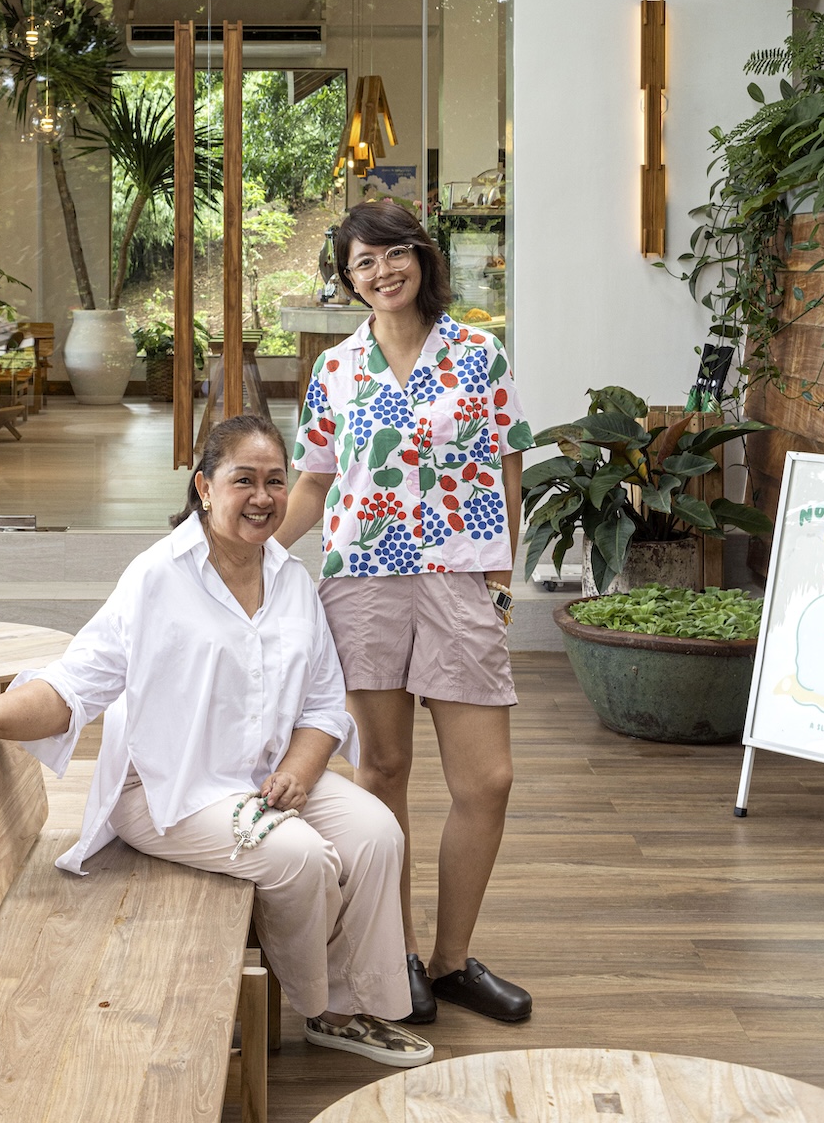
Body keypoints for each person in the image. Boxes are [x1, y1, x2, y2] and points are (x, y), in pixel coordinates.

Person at [0, 413, 435, 1067]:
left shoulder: (291, 582)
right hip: (170, 791)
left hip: (264, 779)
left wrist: (301, 771)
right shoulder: (157, 578)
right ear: (204, 487)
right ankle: (320, 1006)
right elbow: (74, 686)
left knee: (377, 835)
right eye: (243, 480)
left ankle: (357, 1001)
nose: (263, 497)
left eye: (276, 481)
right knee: (302, 858)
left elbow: (323, 705)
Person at [273, 198, 534, 1027]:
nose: (381, 272)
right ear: (348, 280)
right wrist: (253, 551)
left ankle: (454, 961)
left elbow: (507, 469)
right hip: (363, 582)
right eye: (363, 263)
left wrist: (500, 581)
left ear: (421, 257)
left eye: (393, 255)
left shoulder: (479, 354)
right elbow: (314, 481)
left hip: (460, 579)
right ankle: (397, 958)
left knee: (486, 780)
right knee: (381, 773)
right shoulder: (336, 369)